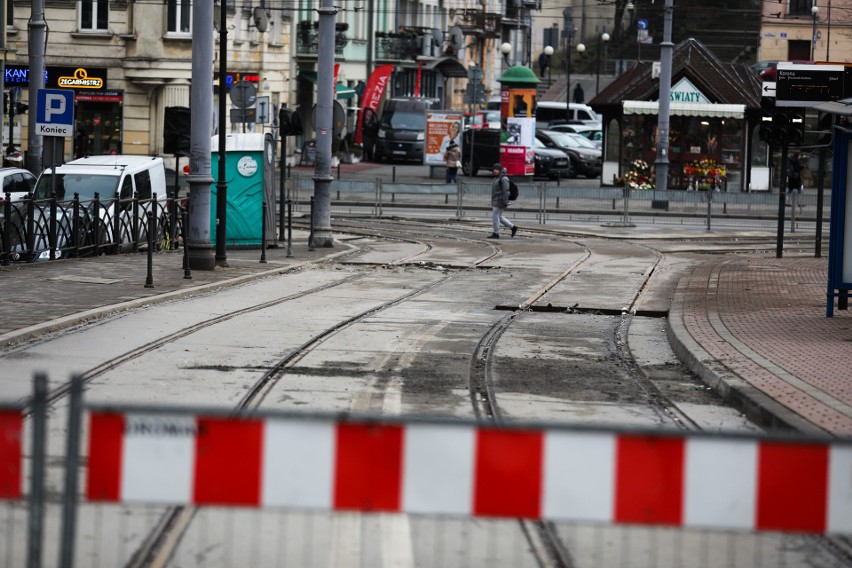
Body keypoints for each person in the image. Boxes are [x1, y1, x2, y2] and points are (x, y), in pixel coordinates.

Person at [488, 163, 517, 239]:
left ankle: (496, 233)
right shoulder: (496, 178)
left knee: (495, 217)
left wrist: (505, 201)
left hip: (500, 201)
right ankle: (513, 227)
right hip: (496, 200)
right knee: (499, 217)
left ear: (500, 170)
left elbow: (506, 191)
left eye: (496, 169)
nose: (494, 171)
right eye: (494, 169)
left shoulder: (503, 179)